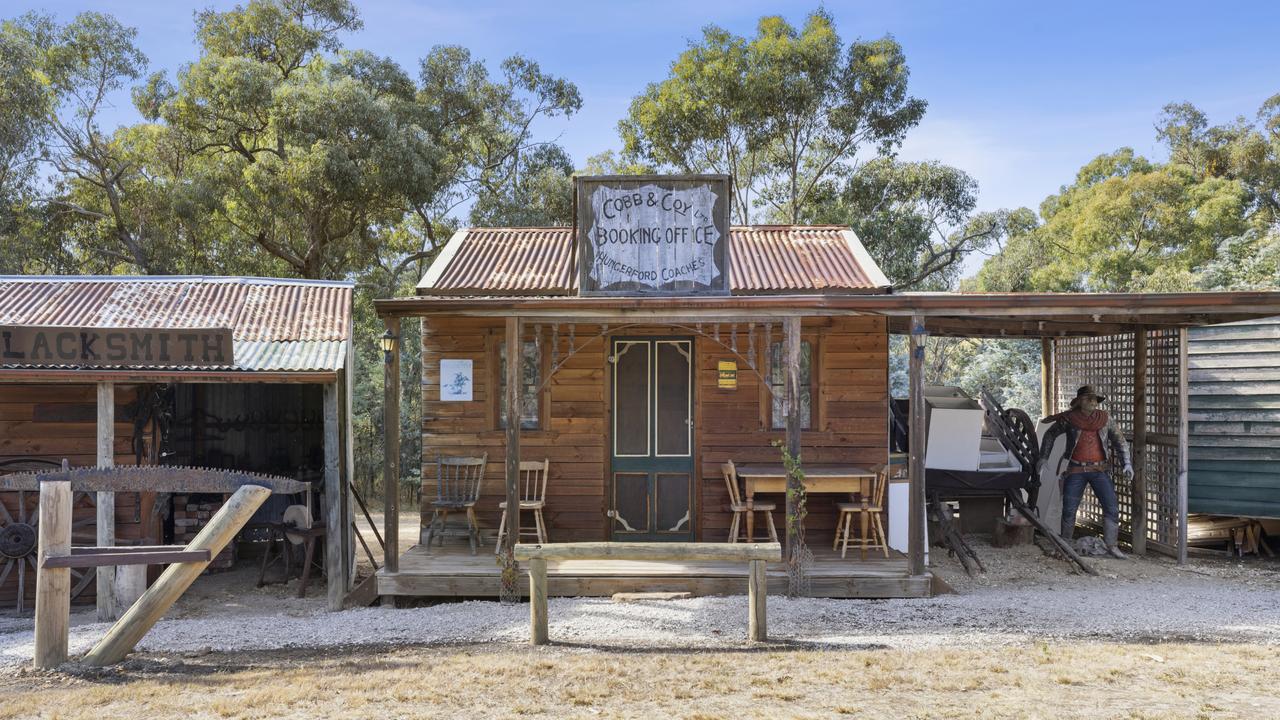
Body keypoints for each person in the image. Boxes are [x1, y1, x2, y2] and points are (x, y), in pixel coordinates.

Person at [1036, 385, 1133, 559]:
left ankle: (1112, 545)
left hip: (1100, 469)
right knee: (1069, 509)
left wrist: (1127, 463)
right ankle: (1065, 545)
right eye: (1088, 398)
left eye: (1095, 399)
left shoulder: (1105, 419)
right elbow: (1050, 434)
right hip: (1076, 469)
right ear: (1079, 401)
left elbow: (1120, 441)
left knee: (1111, 508)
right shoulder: (1070, 419)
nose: (1092, 402)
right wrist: (1043, 457)